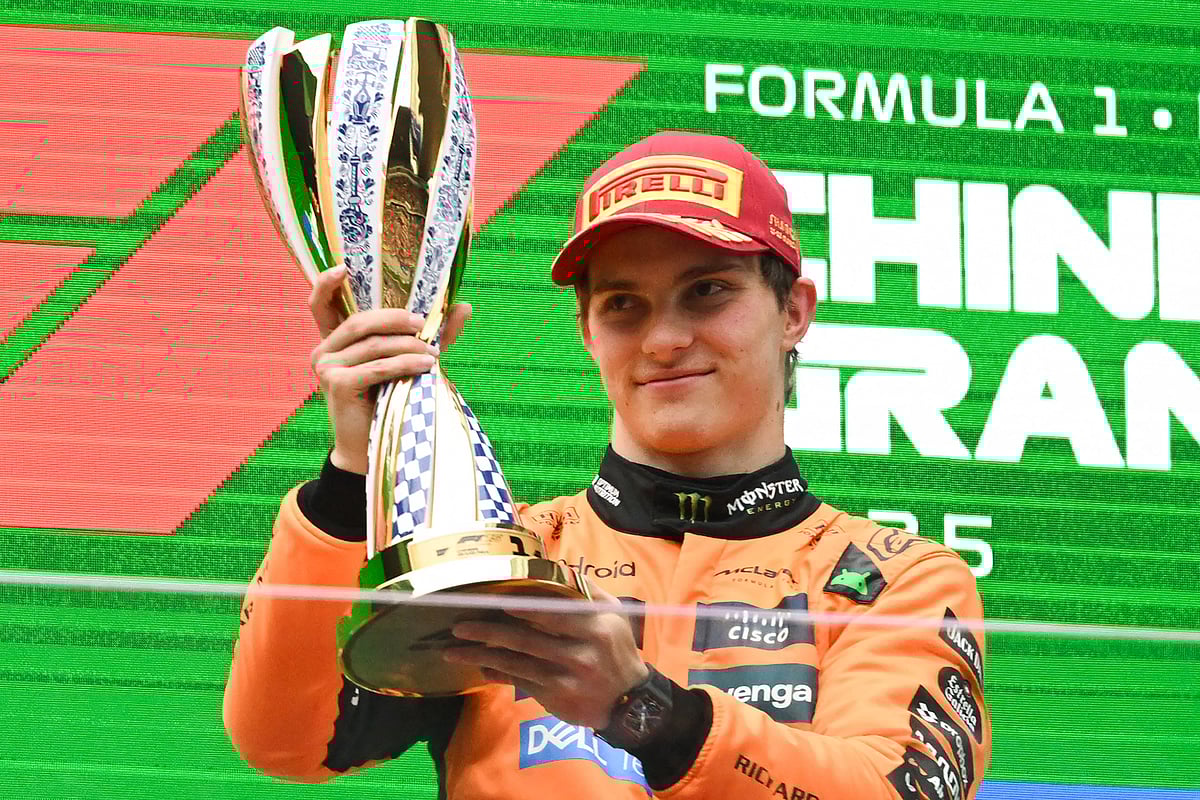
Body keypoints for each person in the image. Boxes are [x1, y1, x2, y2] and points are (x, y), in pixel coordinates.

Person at [224, 131, 992, 800]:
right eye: (624, 304)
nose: (663, 340)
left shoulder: (895, 580)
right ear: (588, 331)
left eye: (707, 292)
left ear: (793, 311)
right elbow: (289, 741)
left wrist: (644, 710)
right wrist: (353, 475)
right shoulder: (505, 556)